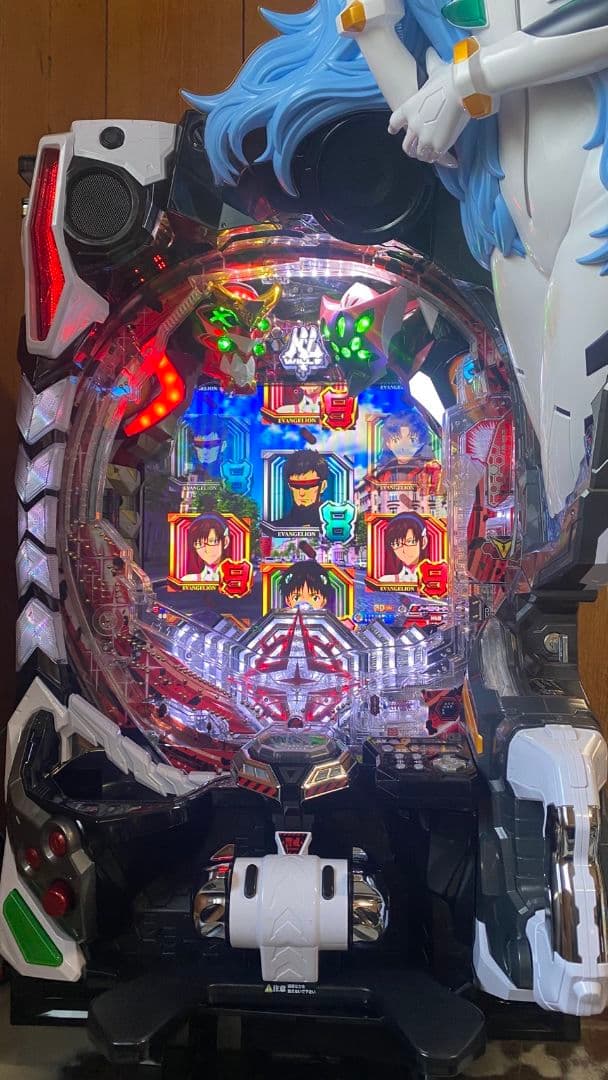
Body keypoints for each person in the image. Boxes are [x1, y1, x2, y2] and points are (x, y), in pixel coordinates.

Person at [274, 449, 329, 529]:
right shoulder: (275, 527)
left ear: (323, 486)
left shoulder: (334, 529)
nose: (301, 493)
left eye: (308, 485)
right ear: (289, 486)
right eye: (295, 485)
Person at [379, 513, 428, 584]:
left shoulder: (435, 579)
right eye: (397, 544)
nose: (403, 550)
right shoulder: (386, 581)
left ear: (423, 542)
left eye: (410, 541)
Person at [182, 512, 230, 582]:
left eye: (212, 541)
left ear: (225, 542)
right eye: (199, 543)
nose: (206, 549)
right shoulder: (188, 580)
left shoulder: (236, 579)